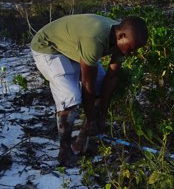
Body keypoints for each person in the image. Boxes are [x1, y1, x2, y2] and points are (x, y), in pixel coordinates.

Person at [31, 13, 148, 167]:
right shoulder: (95, 39)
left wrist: (103, 112)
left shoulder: (123, 39)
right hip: (49, 47)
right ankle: (64, 151)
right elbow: (88, 84)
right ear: (121, 36)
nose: (133, 53)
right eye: (132, 48)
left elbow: (111, 78)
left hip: (74, 48)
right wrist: (91, 114)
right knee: (71, 98)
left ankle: (81, 141)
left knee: (99, 92)